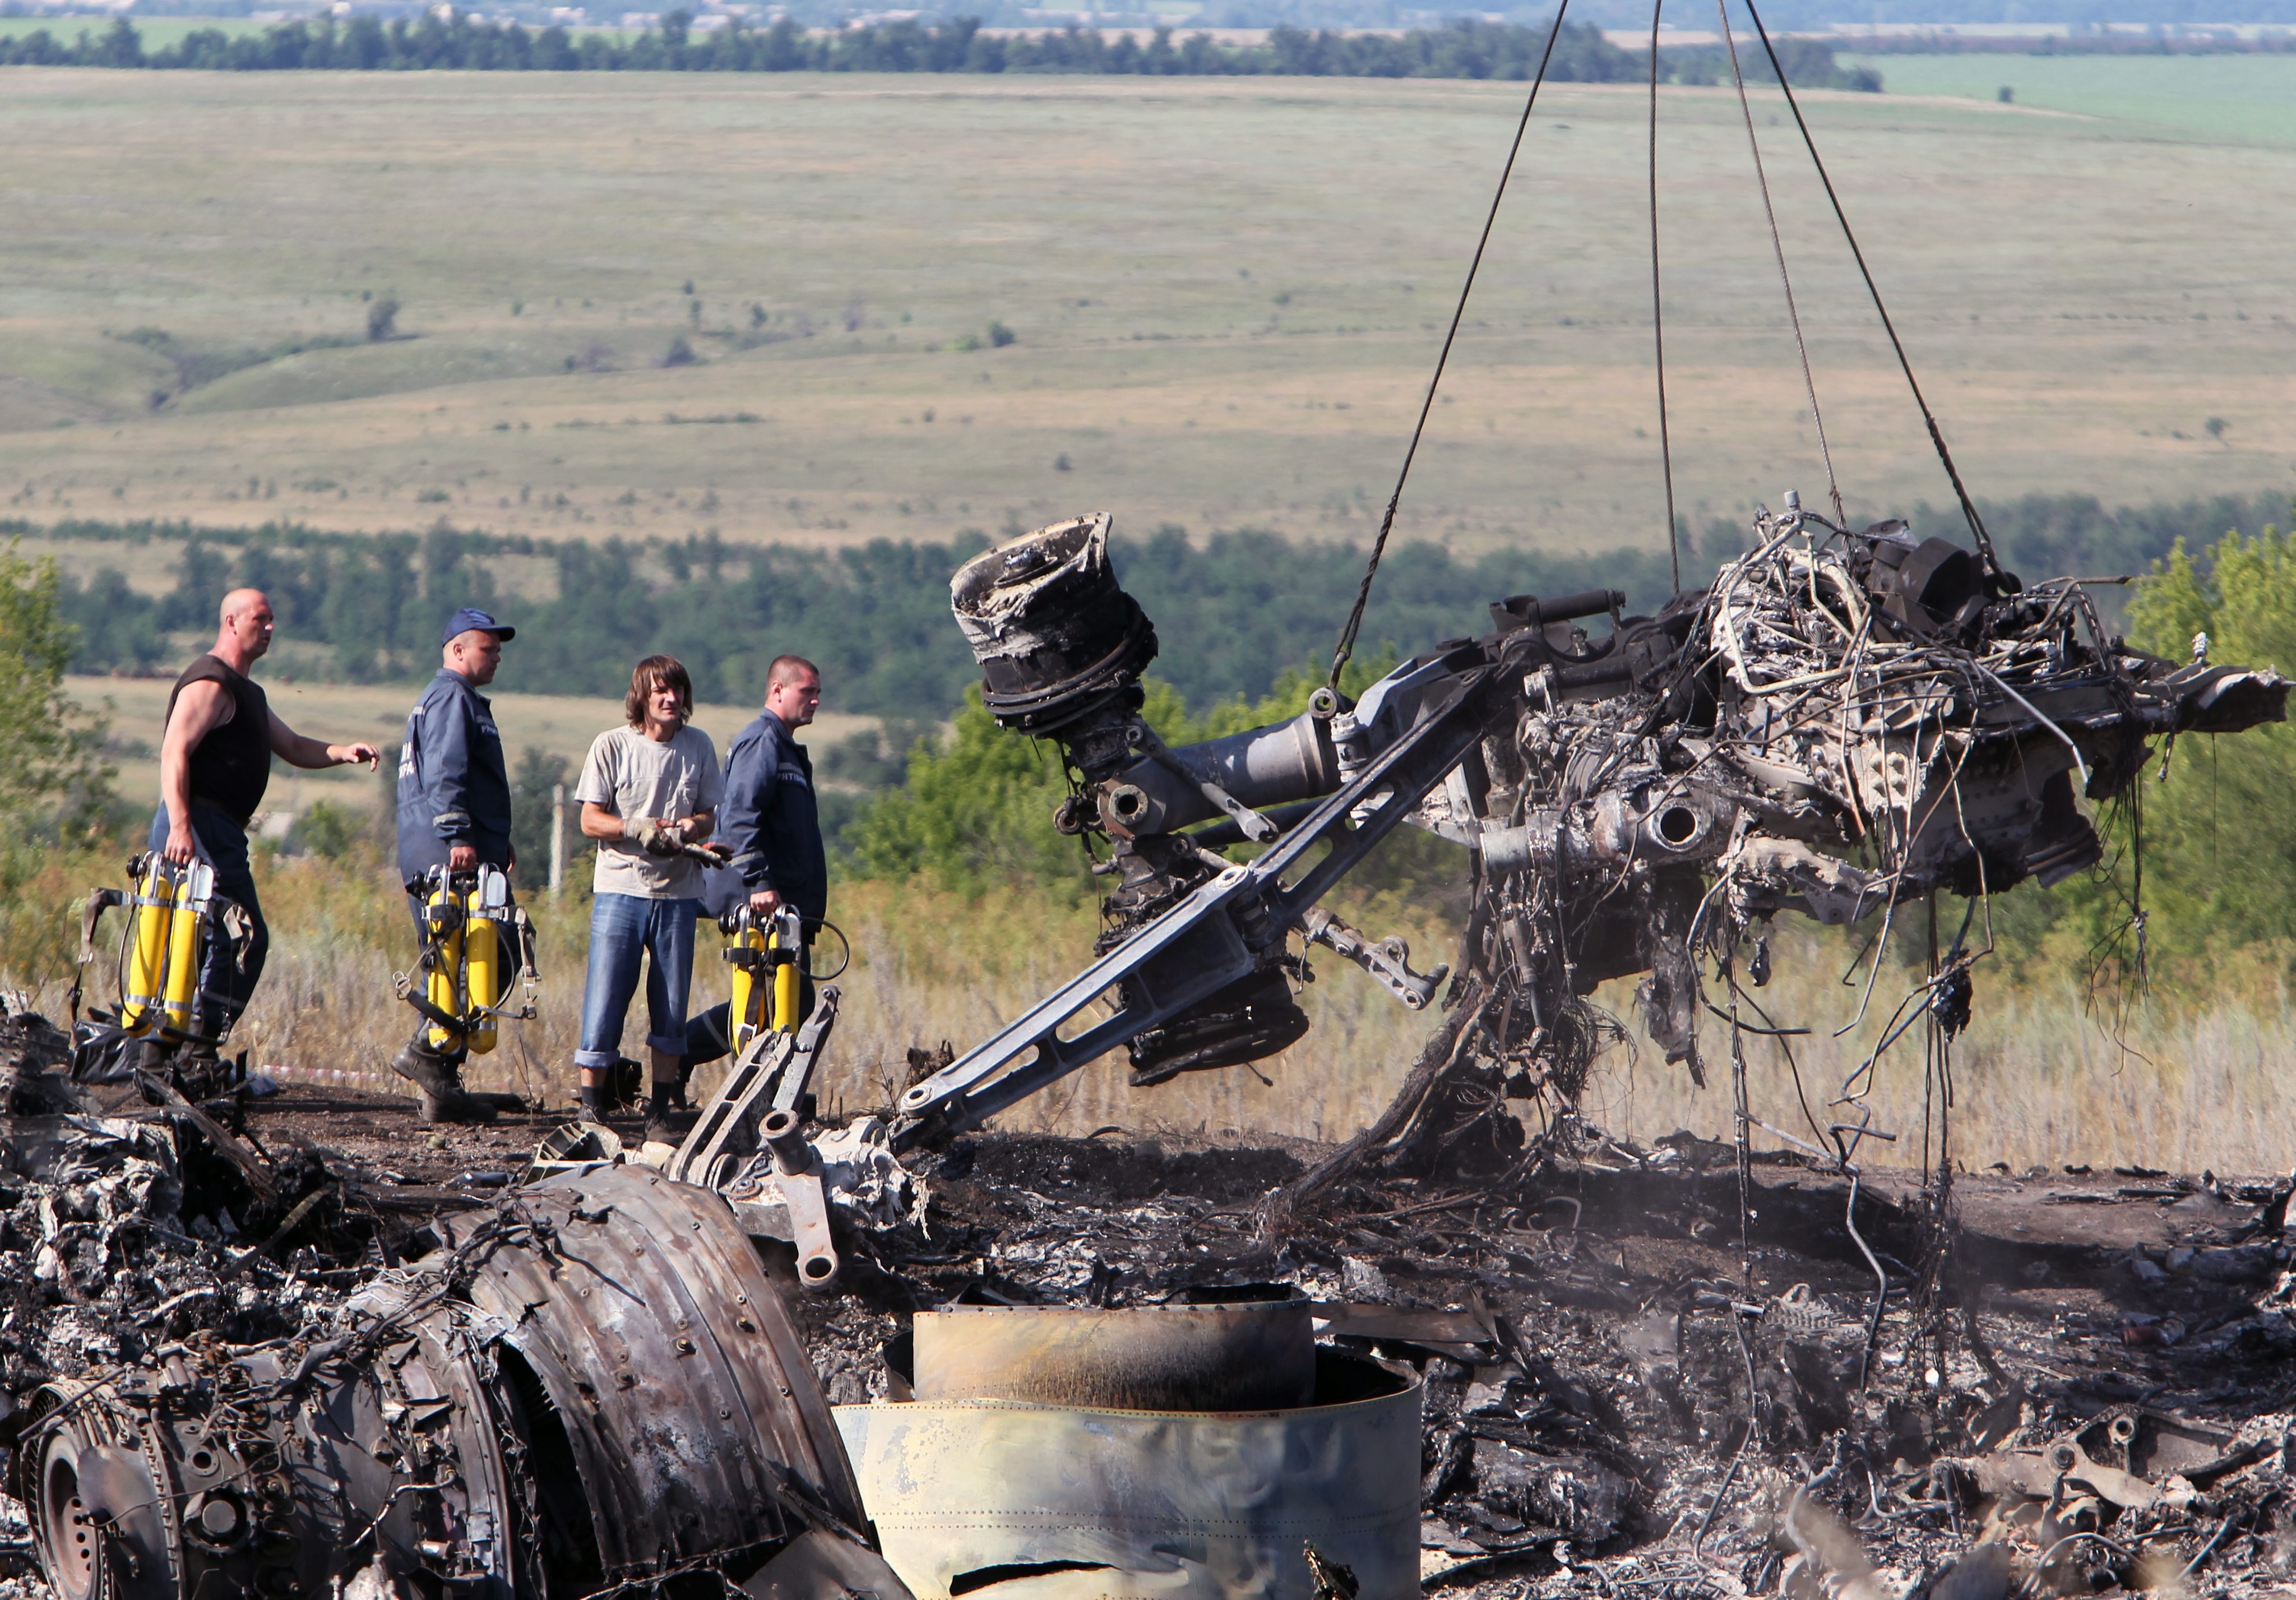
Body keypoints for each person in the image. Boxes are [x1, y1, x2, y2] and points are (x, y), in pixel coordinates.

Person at [152, 588, 380, 1040]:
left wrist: (341, 752)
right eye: (261, 619)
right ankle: (196, 1048)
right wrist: (181, 826)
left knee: (201, 941)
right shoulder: (210, 683)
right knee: (241, 937)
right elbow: (174, 752)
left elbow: (293, 746)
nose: (271, 628)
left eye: (273, 619)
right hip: (199, 824)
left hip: (216, 829)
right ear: (232, 623)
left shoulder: (246, 693)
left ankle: (174, 1049)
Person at [573, 655, 724, 1127]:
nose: (671, 699)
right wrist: (633, 827)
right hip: (620, 890)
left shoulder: (698, 746)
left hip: (678, 895)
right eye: (661, 690)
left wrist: (689, 827)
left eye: (678, 691)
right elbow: (589, 819)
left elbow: (709, 815)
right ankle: (591, 1108)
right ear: (642, 695)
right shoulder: (612, 746)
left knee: (672, 1004)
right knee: (606, 997)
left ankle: (660, 1107)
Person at [391, 607, 519, 1123]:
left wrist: (493, 838)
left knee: (452, 959)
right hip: (448, 850)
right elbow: (447, 772)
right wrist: (460, 835)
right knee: (494, 955)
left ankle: (440, 1090)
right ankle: (426, 1055)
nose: (497, 657)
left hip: (453, 847)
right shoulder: (451, 697)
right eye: (488, 648)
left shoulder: (449, 697)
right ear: (457, 650)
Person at [683, 655, 827, 1086]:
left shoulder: (784, 748)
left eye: (819, 693)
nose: (816, 701)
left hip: (788, 906)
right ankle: (679, 1054)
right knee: (776, 1003)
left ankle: (682, 1056)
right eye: (808, 691)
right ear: (777, 691)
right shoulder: (762, 741)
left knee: (784, 1003)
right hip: (764, 903)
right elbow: (740, 817)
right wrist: (759, 883)